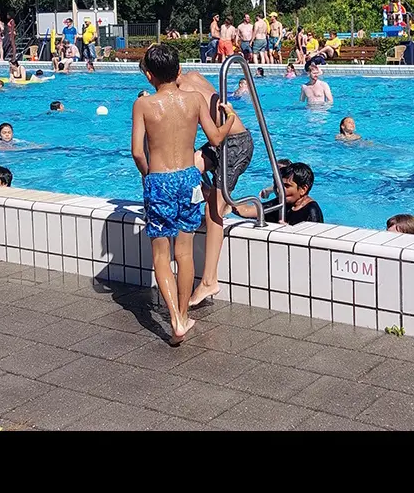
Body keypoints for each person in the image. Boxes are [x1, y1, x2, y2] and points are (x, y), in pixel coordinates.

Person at [131, 43, 238, 343]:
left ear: (149, 75)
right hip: (190, 180)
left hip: (160, 179)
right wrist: (229, 117)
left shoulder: (143, 105)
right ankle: (183, 313)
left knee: (161, 255)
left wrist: (148, 176)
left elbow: (137, 152)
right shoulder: (194, 100)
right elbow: (215, 138)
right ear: (178, 70)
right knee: (185, 253)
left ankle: (176, 321)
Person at [178, 70, 255, 309]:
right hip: (224, 141)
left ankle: (209, 281)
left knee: (213, 212)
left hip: (235, 145)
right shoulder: (193, 76)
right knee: (188, 170)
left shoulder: (182, 94)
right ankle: (215, 196)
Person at [233, 162, 323, 225]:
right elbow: (247, 211)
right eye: (280, 185)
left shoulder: (312, 211)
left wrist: (288, 230)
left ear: (303, 189)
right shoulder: (280, 203)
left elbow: (315, 241)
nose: (279, 190)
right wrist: (228, 202)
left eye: (287, 186)